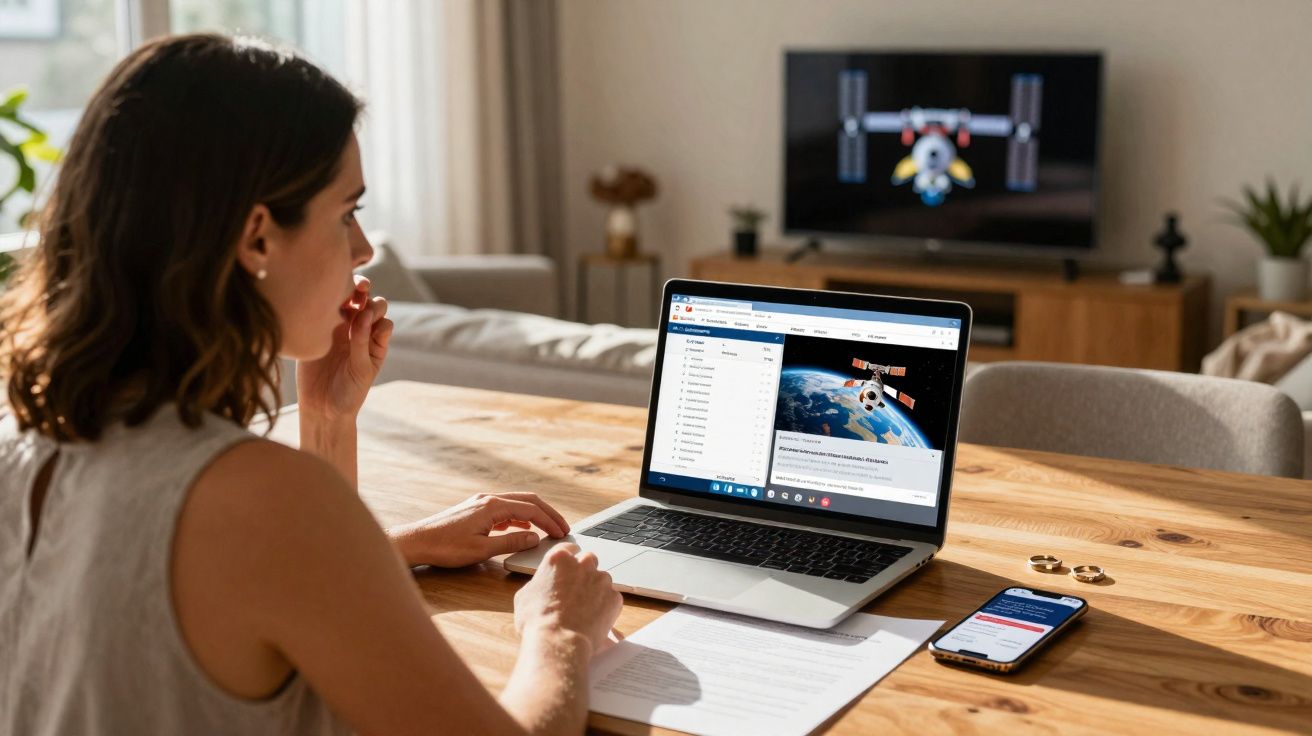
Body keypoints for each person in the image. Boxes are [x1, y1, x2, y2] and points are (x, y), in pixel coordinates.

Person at [0, 33, 622, 735]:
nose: (362, 251)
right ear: (257, 237)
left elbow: (187, 595)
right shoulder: (261, 500)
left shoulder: (25, 442)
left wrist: (332, 426)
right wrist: (560, 631)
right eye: (347, 212)